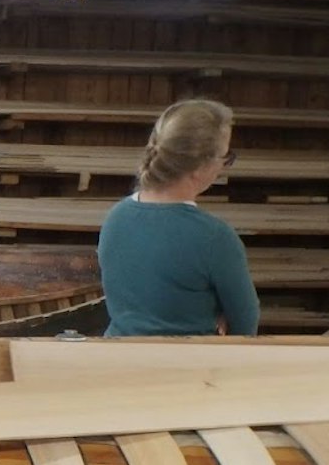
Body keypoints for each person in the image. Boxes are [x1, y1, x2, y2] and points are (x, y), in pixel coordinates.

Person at [98, 98, 260, 337]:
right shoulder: (214, 237)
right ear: (200, 166)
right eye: (226, 157)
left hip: (116, 359)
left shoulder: (115, 218)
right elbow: (245, 323)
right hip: (188, 367)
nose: (225, 166)